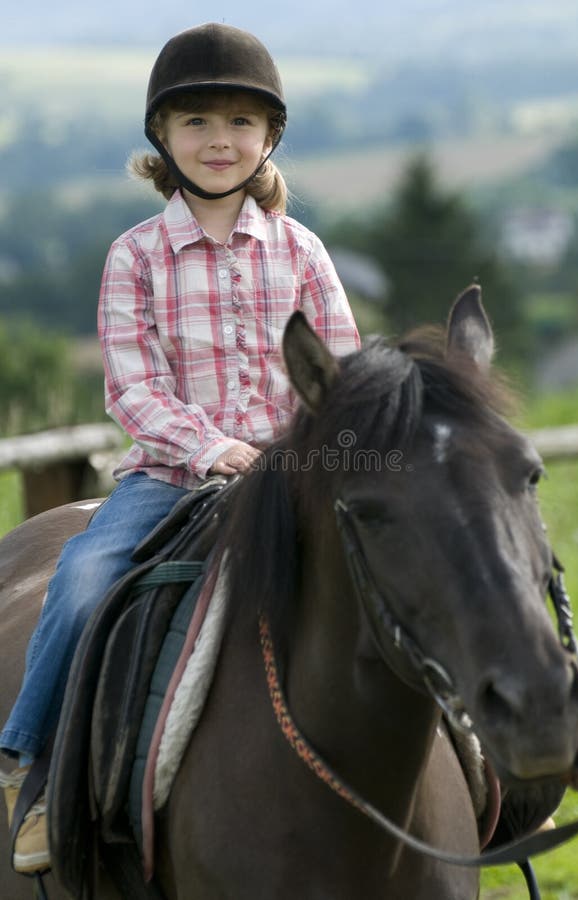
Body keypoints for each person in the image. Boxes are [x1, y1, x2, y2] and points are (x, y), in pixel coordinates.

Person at [0, 22, 360, 874]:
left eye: (240, 123)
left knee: (402, 567)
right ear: (162, 137)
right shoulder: (135, 257)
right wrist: (213, 449)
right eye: (196, 122)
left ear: (269, 136)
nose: (219, 141)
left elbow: (339, 370)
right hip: (171, 478)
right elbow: (132, 390)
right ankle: (37, 768)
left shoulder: (303, 252)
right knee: (87, 579)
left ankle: (472, 758)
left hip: (292, 477)